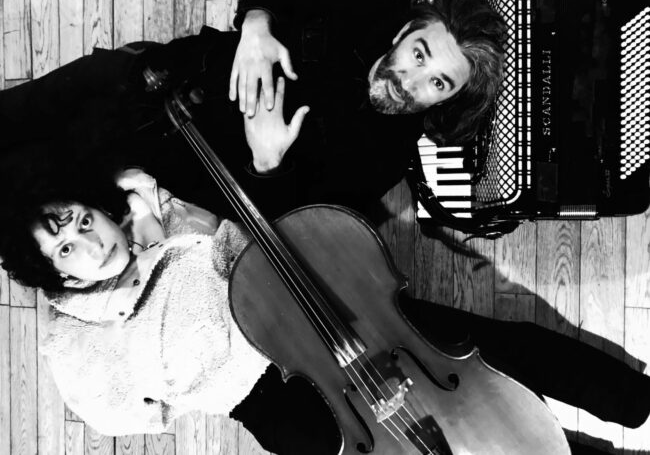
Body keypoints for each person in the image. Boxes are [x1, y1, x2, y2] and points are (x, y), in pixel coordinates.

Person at [2, 158, 650, 455]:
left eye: (82, 219)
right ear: (57, 277)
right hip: (274, 399)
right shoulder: (77, 350)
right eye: (66, 249)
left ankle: (634, 398)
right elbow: (134, 413)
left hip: (318, 311)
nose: (90, 242)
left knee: (490, 352)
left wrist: (161, 211)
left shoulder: (160, 211)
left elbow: (244, 239)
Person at [0, 0, 507, 220]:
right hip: (154, 73)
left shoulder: (381, 162)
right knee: (16, 113)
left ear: (445, 101)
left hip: (165, 155)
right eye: (419, 54)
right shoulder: (372, 13)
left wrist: (269, 163)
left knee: (24, 182)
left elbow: (291, 225)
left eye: (438, 83)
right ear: (403, 33)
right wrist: (258, 23)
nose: (411, 82)